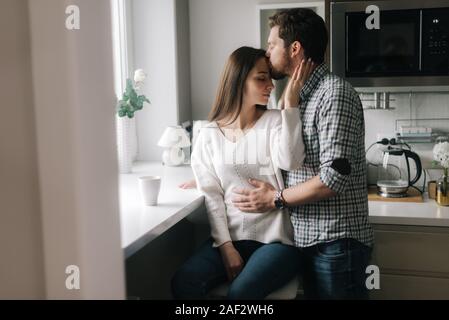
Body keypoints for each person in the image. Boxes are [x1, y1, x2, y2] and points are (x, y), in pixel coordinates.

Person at [231, 9, 374, 299]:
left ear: (294, 48)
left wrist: (275, 198)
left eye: (272, 45)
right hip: (307, 239)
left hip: (336, 242)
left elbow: (332, 179)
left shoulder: (334, 94)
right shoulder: (295, 96)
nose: (267, 51)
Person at [171, 46, 313, 299]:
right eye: (261, 78)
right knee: (184, 281)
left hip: (277, 242)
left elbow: (291, 161)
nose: (269, 85)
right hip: (230, 239)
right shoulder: (208, 135)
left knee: (241, 293)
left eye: (269, 77)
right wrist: (226, 248)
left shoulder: (276, 121)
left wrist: (290, 106)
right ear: (237, 80)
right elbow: (213, 197)